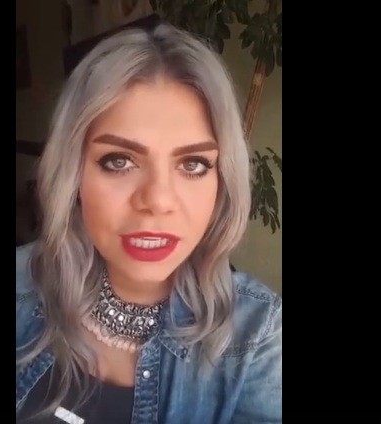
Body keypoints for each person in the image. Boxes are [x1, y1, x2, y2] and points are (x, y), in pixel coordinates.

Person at [16, 22, 282, 424]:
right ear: (73, 175)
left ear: (223, 180)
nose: (157, 200)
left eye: (193, 164)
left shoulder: (257, 335)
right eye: (119, 161)